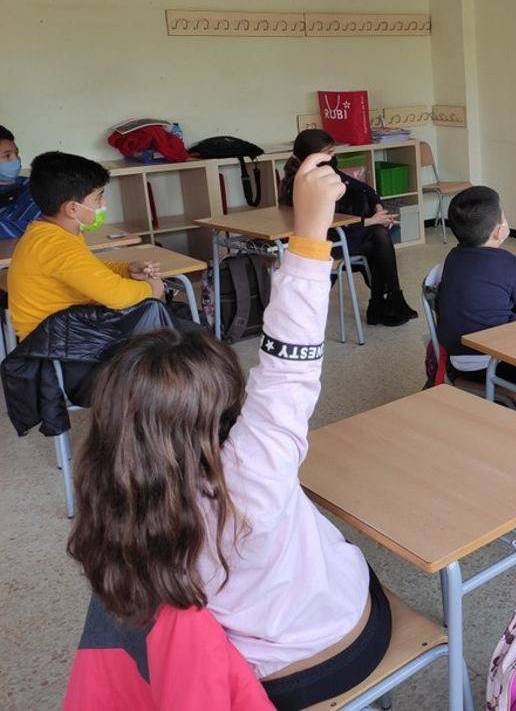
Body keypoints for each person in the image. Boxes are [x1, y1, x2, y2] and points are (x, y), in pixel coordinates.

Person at [65, 152, 393, 710]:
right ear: (226, 402)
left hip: (246, 667)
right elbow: (290, 366)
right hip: (321, 660)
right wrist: (312, 235)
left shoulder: (113, 498)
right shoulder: (250, 470)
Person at [436, 186, 516, 423]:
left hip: (457, 361)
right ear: (497, 231)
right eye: (502, 214)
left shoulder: (451, 258)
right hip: (498, 364)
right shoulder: (509, 264)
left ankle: (477, 386)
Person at [8, 152, 163, 341]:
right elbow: (116, 295)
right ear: (73, 209)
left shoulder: (49, 232)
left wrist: (126, 269)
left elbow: (89, 268)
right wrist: (152, 289)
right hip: (57, 348)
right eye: (98, 198)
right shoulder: (56, 245)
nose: (103, 204)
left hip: (65, 334)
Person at [280, 130, 417, 327]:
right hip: (329, 240)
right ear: (311, 157)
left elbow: (365, 189)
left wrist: (378, 208)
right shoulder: (305, 184)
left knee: (380, 235)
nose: (332, 157)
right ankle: (384, 301)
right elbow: (329, 224)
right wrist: (373, 221)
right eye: (328, 153)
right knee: (380, 237)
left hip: (349, 231)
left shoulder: (329, 171)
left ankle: (384, 302)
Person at [0, 125, 40, 239]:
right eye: (7, 155)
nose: (16, 159)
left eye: (16, 153)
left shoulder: (35, 186)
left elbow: (39, 226)